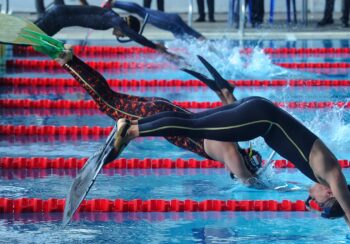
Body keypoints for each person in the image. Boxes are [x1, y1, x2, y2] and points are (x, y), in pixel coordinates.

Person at [21, 30, 263, 186]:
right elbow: (247, 181)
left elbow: (235, 111)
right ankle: (68, 61)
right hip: (159, 115)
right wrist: (257, 182)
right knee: (109, 104)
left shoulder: (230, 135)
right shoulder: (228, 149)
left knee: (111, 99)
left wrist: (226, 96)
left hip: (165, 109)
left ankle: (69, 60)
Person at [112, 85, 350, 222]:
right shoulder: (331, 173)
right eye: (317, 203)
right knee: (192, 126)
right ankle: (132, 131)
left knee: (191, 120)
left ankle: (132, 124)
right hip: (261, 118)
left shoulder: (322, 174)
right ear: (331, 194)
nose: (311, 202)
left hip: (261, 111)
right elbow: (345, 198)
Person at [34, 4, 169, 53]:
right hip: (57, 17)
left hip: (58, 19)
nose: (121, 36)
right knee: (30, 38)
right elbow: (134, 35)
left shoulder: (111, 17)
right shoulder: (114, 19)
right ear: (126, 27)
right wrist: (154, 46)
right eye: (124, 35)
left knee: (32, 38)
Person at [102, 0, 205, 40]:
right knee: (141, 11)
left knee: (141, 11)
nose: (115, 34)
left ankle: (114, 3)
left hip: (172, 24)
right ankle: (114, 3)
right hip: (173, 24)